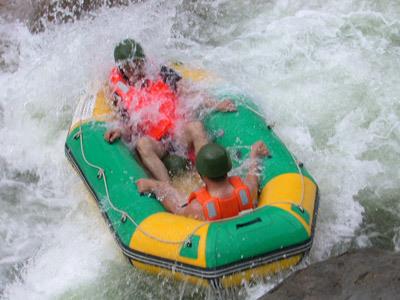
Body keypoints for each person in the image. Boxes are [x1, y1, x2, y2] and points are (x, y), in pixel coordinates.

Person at [104, 39, 236, 182]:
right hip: (156, 142)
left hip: (177, 132)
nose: (134, 69)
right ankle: (169, 192)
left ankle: (208, 180)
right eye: (128, 66)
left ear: (144, 61)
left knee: (196, 127)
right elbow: (125, 123)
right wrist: (119, 131)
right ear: (121, 68)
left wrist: (215, 104)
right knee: (142, 144)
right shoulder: (118, 90)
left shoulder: (160, 72)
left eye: (137, 63)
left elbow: (188, 91)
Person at [136, 141, 269, 221]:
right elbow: (253, 175)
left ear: (201, 175)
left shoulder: (197, 207)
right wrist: (254, 154)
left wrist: (155, 186)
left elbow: (177, 210)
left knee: (180, 199)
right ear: (229, 167)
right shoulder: (247, 190)